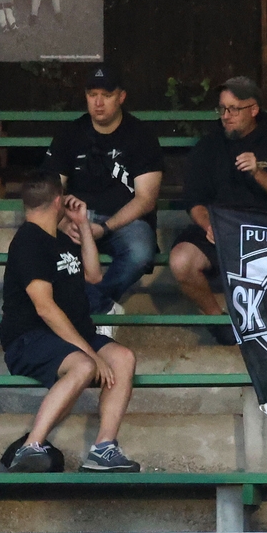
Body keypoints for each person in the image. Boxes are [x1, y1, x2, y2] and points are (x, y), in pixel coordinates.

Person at [0, 171, 139, 473]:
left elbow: (93, 275)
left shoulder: (60, 238)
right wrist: (89, 354)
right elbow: (44, 308)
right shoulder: (28, 241)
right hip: (30, 338)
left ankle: (103, 449)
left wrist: (83, 227)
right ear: (59, 200)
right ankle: (31, 447)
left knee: (123, 358)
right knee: (84, 366)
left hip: (72, 334)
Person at [169, 76, 267, 346]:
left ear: (254, 109)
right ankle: (220, 323)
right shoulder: (209, 146)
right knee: (181, 260)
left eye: (233, 109)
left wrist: (258, 172)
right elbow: (194, 199)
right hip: (220, 226)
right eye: (222, 109)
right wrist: (208, 225)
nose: (226, 116)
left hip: (265, 230)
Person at [43, 64, 163, 334]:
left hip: (122, 223)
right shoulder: (69, 134)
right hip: (76, 218)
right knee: (39, 242)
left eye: (106, 95)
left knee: (141, 252)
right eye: (92, 94)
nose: (98, 102)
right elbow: (51, 190)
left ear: (121, 97)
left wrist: (104, 228)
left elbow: (146, 199)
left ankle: (91, 306)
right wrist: (62, 223)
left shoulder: (141, 136)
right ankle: (102, 309)